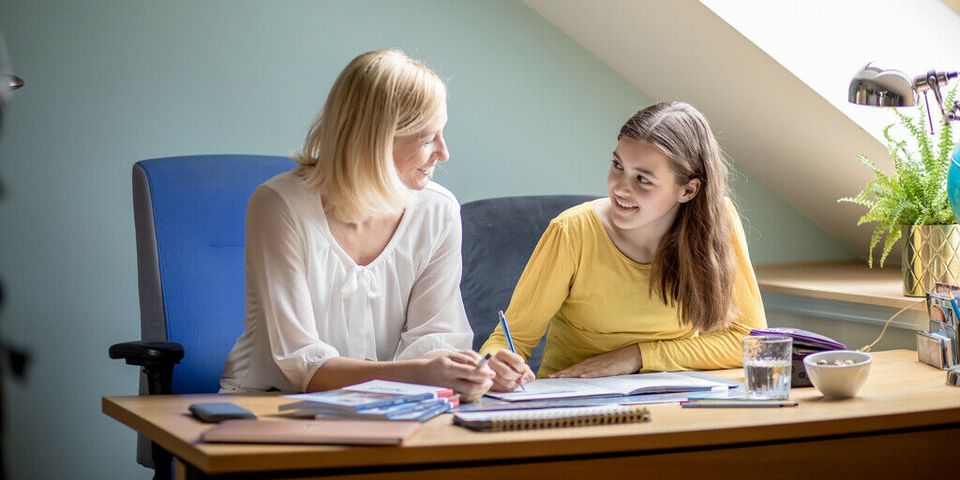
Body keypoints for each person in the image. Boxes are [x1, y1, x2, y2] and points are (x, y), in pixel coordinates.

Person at [220, 49, 494, 401]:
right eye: (427, 139)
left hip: (393, 406)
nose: (443, 152)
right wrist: (421, 374)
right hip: (270, 406)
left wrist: (468, 372)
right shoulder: (280, 206)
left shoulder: (437, 211)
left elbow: (435, 342)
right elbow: (302, 364)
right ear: (376, 141)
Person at [480, 101, 767, 391]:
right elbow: (509, 339)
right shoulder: (571, 231)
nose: (620, 187)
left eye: (643, 179)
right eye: (618, 165)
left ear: (688, 190)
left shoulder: (717, 223)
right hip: (573, 399)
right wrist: (496, 366)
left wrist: (636, 356)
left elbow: (749, 341)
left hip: (669, 399)